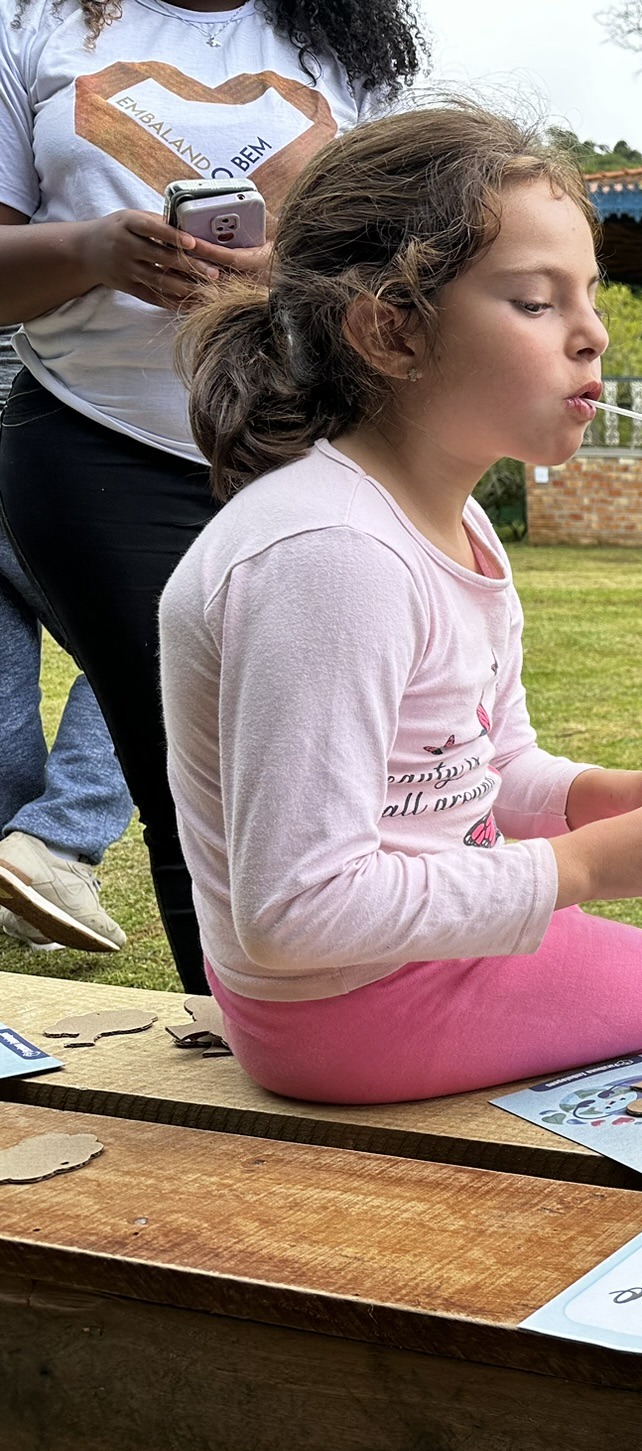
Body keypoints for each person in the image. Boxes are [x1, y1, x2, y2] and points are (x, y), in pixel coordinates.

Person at [158, 107, 642, 1105]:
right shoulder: (333, 558)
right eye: (533, 303)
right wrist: (576, 869)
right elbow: (294, 910)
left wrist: (594, 794)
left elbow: (474, 771)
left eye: (588, 298)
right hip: (348, 1007)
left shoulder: (453, 525)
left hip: (395, 967)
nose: (592, 335)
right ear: (390, 329)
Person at [0, 0, 422, 995]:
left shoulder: (343, 44)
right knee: (192, 784)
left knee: (349, 772)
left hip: (305, 447)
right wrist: (95, 253)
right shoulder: (37, 26)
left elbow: (406, 268)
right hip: (98, 450)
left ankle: (356, 1035)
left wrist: (294, 272)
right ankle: (251, 1044)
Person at [0, 324, 133, 953]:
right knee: (142, 653)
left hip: (47, 427)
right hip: (57, 430)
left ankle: (18, 866)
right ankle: (54, 844)